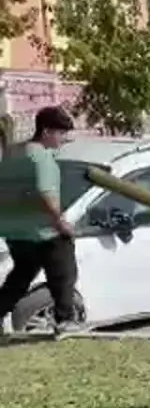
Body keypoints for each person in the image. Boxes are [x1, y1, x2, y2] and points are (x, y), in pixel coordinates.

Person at [0, 106, 81, 336]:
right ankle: (65, 320)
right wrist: (59, 222)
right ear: (46, 131)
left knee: (20, 277)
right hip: (44, 230)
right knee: (63, 274)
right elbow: (46, 193)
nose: (64, 139)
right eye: (61, 133)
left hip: (16, 231)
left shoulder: (12, 154)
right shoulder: (41, 157)